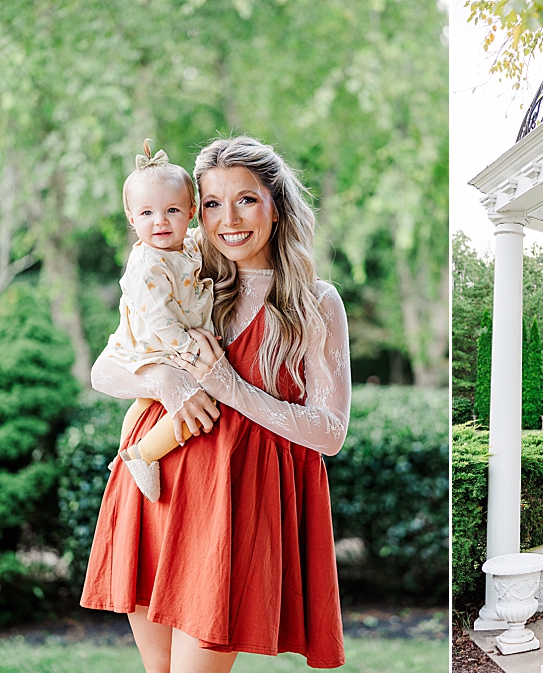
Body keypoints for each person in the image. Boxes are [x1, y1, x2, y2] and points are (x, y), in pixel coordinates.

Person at [82, 136, 350, 672]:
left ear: (276, 206)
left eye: (246, 199)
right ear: (196, 211)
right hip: (153, 490)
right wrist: (168, 381)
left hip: (230, 508)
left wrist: (229, 387)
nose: (228, 218)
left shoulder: (315, 302)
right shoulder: (180, 280)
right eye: (210, 203)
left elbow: (330, 432)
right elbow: (105, 370)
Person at [105, 140, 216, 503]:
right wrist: (188, 353)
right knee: (197, 399)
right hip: (158, 344)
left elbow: (199, 242)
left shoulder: (184, 245)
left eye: (172, 210)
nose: (160, 221)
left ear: (192, 211)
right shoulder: (149, 264)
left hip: (162, 341)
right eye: (147, 213)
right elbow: (159, 320)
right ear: (131, 217)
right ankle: (141, 456)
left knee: (144, 403)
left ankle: (123, 450)